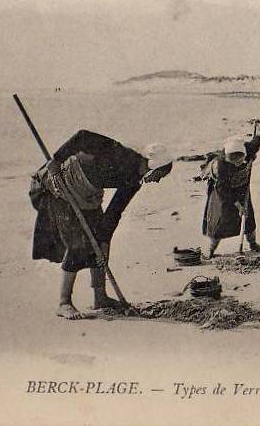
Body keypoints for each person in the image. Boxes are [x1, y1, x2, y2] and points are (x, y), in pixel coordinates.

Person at [29, 130, 174, 320]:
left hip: (88, 194)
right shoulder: (118, 152)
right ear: (154, 166)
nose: (158, 180)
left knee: (98, 246)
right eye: (161, 175)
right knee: (78, 244)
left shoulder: (133, 182)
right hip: (61, 183)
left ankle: (100, 297)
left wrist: (104, 242)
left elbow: (114, 213)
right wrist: (56, 160)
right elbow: (82, 136)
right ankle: (64, 303)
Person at [201, 134, 260, 258]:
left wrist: (258, 136)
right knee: (220, 220)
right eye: (234, 162)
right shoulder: (220, 166)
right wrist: (238, 205)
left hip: (242, 187)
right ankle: (210, 249)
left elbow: (257, 141)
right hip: (222, 193)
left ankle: (253, 243)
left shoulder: (248, 149)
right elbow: (224, 191)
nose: (237, 164)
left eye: (239, 161)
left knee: (248, 217)